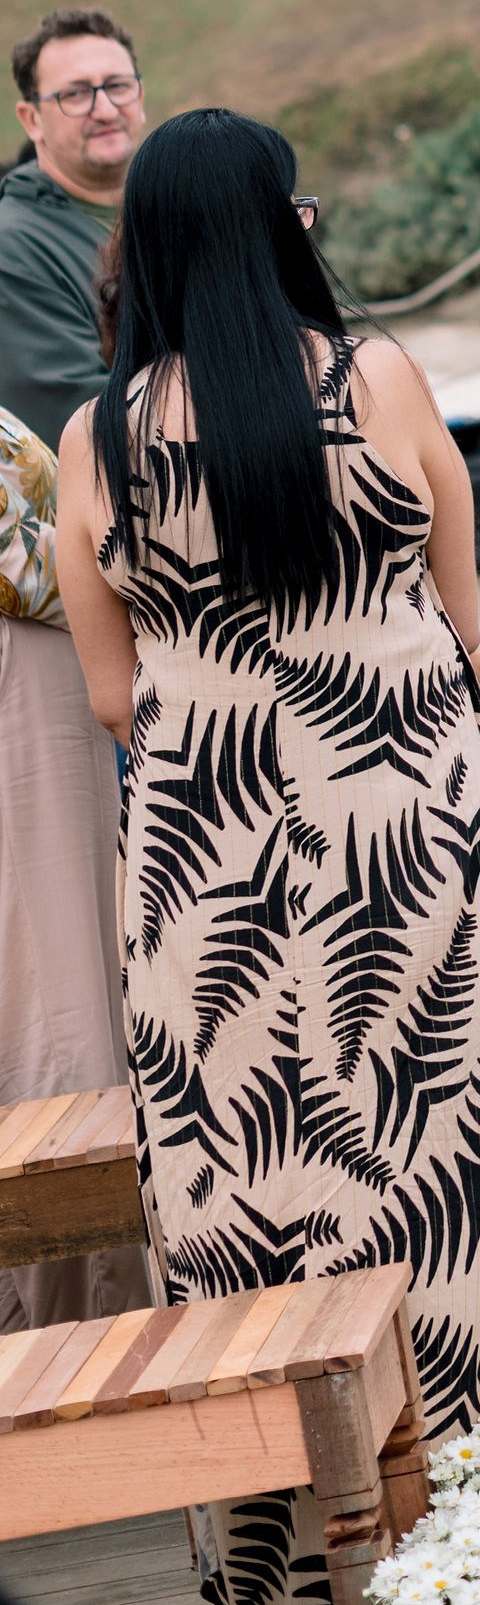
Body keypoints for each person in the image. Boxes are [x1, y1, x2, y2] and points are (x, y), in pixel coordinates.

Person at [51, 111, 480, 1605]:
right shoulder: (369, 376)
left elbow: (111, 693)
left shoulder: (95, 438)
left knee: (264, 1208)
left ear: (145, 245)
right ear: (282, 222)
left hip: (210, 870)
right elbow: (456, 610)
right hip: (413, 840)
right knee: (476, 1161)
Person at [0, 405, 146, 1336]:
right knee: (59, 992)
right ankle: (83, 1308)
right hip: (21, 705)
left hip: (37, 692)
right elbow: (22, 570)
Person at [0, 9, 146, 454]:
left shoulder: (173, 214)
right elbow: (82, 425)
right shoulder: (14, 247)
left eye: (118, 86)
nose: (105, 109)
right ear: (32, 120)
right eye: (76, 94)